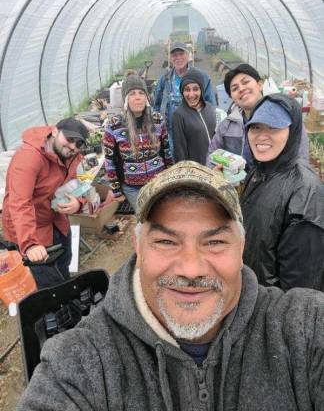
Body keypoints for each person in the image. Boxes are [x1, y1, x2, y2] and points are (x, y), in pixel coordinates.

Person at [18, 161, 324, 411]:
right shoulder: (80, 363)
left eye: (215, 241)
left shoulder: (303, 327)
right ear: (137, 247)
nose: (190, 269)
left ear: (241, 247)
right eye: (165, 241)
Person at [240, 95, 324, 290]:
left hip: (274, 310)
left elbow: (301, 287)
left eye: (274, 127)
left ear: (292, 131)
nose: (262, 136)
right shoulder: (260, 171)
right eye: (256, 127)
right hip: (252, 294)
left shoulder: (305, 192)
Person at [2, 118, 89, 289]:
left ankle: (65, 290)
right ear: (55, 131)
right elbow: (20, 204)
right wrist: (30, 244)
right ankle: (53, 306)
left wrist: (78, 203)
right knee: (48, 281)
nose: (73, 146)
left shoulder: (73, 156)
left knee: (64, 262)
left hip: (57, 219)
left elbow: (81, 185)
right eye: (70, 139)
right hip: (32, 229)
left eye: (78, 143)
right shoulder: (29, 158)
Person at [207, 63, 309, 168]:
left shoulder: (284, 118)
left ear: (260, 84)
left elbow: (301, 159)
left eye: (245, 82)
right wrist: (217, 173)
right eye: (234, 88)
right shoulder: (227, 125)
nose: (241, 89)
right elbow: (211, 154)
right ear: (232, 97)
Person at [103, 73, 173, 211]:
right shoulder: (114, 126)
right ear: (126, 99)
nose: (137, 97)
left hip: (158, 183)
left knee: (161, 214)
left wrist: (169, 178)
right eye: (132, 93)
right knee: (145, 218)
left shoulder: (158, 120)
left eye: (141, 93)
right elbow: (109, 161)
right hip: (132, 188)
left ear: (146, 97)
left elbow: (167, 152)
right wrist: (116, 190)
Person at [154, 41, 216, 155]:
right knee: (177, 161)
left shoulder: (201, 76)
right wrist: (157, 127)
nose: (178, 58)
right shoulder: (166, 78)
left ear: (188, 56)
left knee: (197, 161)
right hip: (173, 132)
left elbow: (211, 104)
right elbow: (156, 103)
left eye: (181, 54)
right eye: (174, 55)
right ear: (170, 58)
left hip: (196, 129)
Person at [173, 68, 216, 164]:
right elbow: (179, 150)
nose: (191, 95)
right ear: (182, 92)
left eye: (196, 89)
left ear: (202, 90)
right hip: (195, 169)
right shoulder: (179, 114)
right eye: (187, 90)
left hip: (214, 166)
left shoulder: (209, 108)